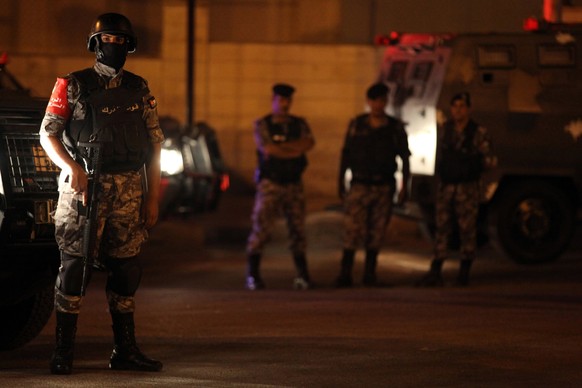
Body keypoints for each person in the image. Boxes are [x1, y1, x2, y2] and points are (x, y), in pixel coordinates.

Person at [39, 13, 163, 374]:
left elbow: (154, 146)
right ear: (96, 44)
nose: (116, 46)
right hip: (84, 191)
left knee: (126, 271)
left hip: (127, 191)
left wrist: (152, 197)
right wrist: (72, 168)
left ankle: (125, 350)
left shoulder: (140, 89)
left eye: (123, 41)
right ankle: (63, 352)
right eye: (109, 39)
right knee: (75, 270)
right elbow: (47, 134)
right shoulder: (73, 84)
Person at [416, 92, 496, 287]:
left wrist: (470, 166)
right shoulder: (445, 130)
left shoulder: (478, 132)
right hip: (447, 187)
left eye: (461, 106)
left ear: (469, 109)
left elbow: (488, 160)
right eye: (455, 106)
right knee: (442, 228)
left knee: (467, 230)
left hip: (467, 189)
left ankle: (464, 272)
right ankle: (436, 271)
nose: (458, 110)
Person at [335, 83, 411, 288]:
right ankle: (345, 274)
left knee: (377, 232)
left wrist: (405, 186)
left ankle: (370, 274)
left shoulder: (395, 128)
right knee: (352, 230)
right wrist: (340, 182)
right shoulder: (356, 125)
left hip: (384, 186)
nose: (378, 104)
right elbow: (346, 154)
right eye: (374, 100)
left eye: (382, 100)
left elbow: (405, 157)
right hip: (359, 184)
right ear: (368, 102)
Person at [245, 83, 315, 291]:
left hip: (293, 183)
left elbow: (308, 144)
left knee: (298, 230)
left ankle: (303, 275)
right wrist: (292, 149)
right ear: (273, 100)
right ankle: (253, 275)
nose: (284, 104)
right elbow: (268, 148)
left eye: (287, 100)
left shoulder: (299, 124)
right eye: (280, 100)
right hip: (271, 183)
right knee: (261, 229)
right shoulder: (263, 124)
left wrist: (283, 148)